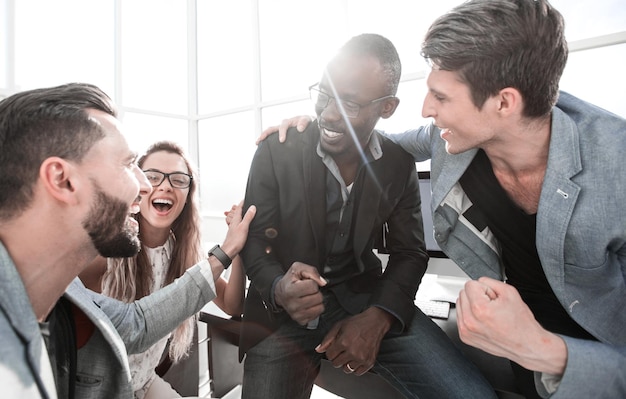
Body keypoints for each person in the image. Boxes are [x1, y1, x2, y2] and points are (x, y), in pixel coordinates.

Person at [259, 1, 626, 398]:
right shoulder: (451, 138)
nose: (426, 109)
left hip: (594, 357)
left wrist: (541, 349)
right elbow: (375, 144)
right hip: (516, 344)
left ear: (504, 102)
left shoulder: (616, 169)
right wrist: (309, 131)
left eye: (442, 97)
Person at [239, 33, 496, 399]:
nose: (328, 113)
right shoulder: (275, 149)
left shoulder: (397, 162)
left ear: (387, 107)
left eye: (351, 104)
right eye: (325, 94)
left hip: (366, 303)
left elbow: (410, 251)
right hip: (280, 316)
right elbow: (253, 238)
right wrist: (279, 288)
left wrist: (380, 317)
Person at [0, 82, 255, 399]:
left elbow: (136, 326)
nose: (145, 186)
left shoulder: (61, 290)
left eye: (177, 179)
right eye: (127, 165)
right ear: (62, 180)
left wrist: (234, 248)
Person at [79, 141, 247, 399]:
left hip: (144, 382)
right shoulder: (107, 250)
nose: (165, 185)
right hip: (103, 387)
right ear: (139, 186)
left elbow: (232, 305)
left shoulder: (184, 253)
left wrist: (237, 248)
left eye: (178, 179)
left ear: (188, 195)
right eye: (153, 176)